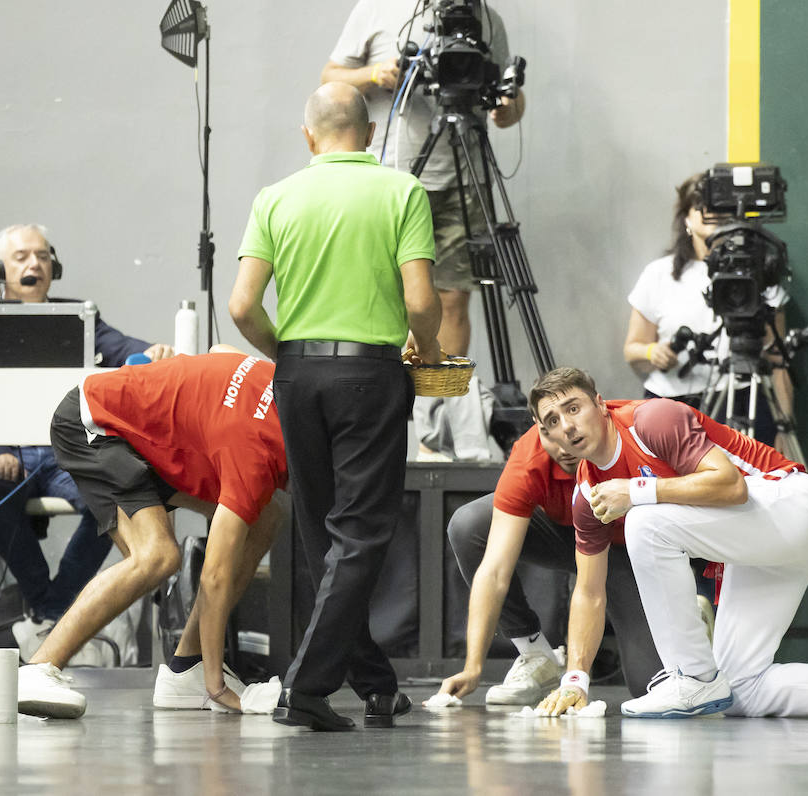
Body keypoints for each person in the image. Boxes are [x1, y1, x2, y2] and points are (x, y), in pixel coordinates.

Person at [528, 367, 808, 722]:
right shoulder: (587, 495)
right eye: (551, 420)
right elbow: (589, 591)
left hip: (789, 504)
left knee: (644, 521)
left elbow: (731, 487)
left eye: (573, 408)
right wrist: (575, 680)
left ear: (600, 405)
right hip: (754, 547)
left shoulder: (652, 419)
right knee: (741, 689)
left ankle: (691, 678)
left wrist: (635, 491)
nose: (565, 425)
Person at [230, 82, 442, 731]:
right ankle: (305, 687)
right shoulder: (400, 191)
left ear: (309, 136)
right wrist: (426, 351)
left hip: (296, 372)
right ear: (370, 134)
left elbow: (241, 306)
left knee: (324, 535)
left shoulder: (276, 198)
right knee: (362, 534)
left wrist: (284, 353)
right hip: (371, 373)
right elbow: (422, 301)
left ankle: (376, 684)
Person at [13, 350, 287, 719]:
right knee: (156, 555)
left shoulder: (282, 380)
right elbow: (216, 573)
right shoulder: (255, 452)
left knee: (264, 517)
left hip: (144, 436)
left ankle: (186, 670)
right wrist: (217, 688)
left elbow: (222, 353)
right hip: (93, 422)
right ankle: (38, 668)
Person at [0, 224, 174, 661]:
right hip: (2, 454)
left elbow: (126, 347)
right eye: (21, 257)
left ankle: (48, 611)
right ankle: (53, 610)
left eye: (43, 255)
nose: (35, 264)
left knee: (111, 496)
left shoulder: (80, 318)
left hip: (63, 454)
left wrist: (157, 350)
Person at [323, 0, 526, 462]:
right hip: (395, 174)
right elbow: (330, 77)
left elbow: (508, 108)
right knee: (383, 301)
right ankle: (380, 425)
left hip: (462, 174)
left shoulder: (486, 18)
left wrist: (508, 101)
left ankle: (437, 432)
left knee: (453, 299)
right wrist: (377, 75)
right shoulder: (377, 9)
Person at [438, 416, 661, 706]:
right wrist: (473, 666)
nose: (564, 444)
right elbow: (493, 571)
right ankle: (535, 654)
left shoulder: (634, 433)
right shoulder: (530, 454)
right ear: (537, 427)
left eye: (573, 429)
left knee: (650, 687)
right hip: (566, 537)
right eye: (550, 431)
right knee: (470, 524)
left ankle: (686, 610)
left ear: (598, 410)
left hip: (626, 552)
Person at [623, 174, 790, 446]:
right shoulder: (659, 274)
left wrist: (784, 425)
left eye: (721, 205)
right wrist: (654, 352)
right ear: (686, 217)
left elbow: (778, 357)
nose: (713, 212)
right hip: (673, 408)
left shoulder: (761, 274)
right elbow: (632, 349)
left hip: (743, 399)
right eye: (703, 204)